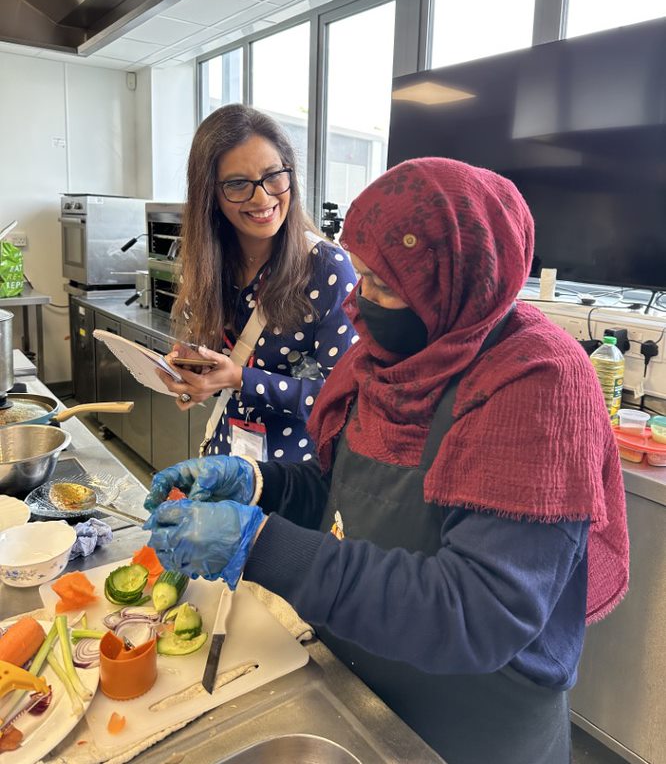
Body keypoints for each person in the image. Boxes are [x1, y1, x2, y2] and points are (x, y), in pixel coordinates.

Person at [144, 157, 630, 764]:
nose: (357, 301)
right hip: (361, 684)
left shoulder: (536, 383)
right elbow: (343, 486)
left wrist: (261, 545)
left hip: (472, 728)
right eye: (361, 274)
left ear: (451, 280)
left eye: (383, 285)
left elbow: (478, 612)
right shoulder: (384, 360)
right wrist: (260, 484)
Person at [159, 103, 357, 463]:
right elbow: (216, 356)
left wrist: (240, 379)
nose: (263, 197)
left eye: (273, 176)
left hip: (298, 478)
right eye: (237, 184)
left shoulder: (328, 268)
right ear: (211, 195)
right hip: (225, 460)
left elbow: (345, 401)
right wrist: (194, 368)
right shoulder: (206, 263)